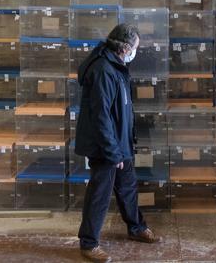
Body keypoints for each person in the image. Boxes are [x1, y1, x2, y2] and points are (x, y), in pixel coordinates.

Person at [75, 24, 159, 263]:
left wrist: (126, 144)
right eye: (135, 48)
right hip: (106, 147)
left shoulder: (116, 66)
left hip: (119, 144)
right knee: (99, 195)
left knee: (128, 188)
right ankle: (89, 243)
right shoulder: (104, 70)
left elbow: (120, 109)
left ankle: (136, 228)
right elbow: (101, 116)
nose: (136, 52)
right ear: (124, 48)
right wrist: (113, 153)